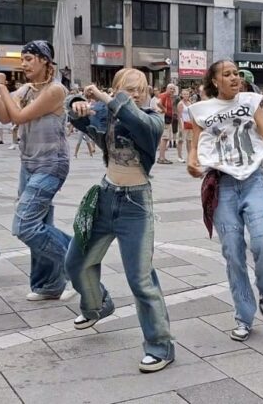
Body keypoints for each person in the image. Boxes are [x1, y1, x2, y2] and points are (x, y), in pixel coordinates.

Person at [65, 68, 175, 373]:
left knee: (140, 279)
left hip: (136, 205)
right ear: (115, 89)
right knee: (75, 262)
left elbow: (135, 119)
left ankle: (160, 346)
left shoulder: (152, 119)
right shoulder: (106, 114)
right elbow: (76, 115)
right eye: (128, 89)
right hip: (104, 197)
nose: (135, 94)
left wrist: (105, 98)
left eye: (140, 89)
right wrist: (77, 103)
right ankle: (97, 304)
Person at [186, 60, 263, 342]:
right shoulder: (199, 110)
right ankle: (244, 315)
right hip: (222, 184)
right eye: (227, 74)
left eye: (236, 74)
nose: (234, 78)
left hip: (253, 179)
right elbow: (196, 145)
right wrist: (192, 163)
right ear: (214, 81)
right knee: (233, 253)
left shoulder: (251, 101)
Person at [0, 39, 73, 301]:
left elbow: (19, 117)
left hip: (51, 163)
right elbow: (4, 117)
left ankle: (78, 258)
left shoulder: (56, 90)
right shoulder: (27, 89)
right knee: (41, 223)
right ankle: (49, 285)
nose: (24, 64)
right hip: (28, 163)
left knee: (25, 225)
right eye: (22, 59)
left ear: (45, 60)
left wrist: (1, 86)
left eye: (29, 59)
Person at [156, 84, 176, 164]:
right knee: (164, 138)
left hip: (167, 119)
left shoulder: (169, 97)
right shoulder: (164, 95)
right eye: (171, 88)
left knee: (165, 138)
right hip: (165, 119)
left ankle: (162, 157)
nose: (172, 90)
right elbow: (158, 103)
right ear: (167, 89)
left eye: (173, 89)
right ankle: (161, 158)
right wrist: (164, 109)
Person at [176, 88, 193, 163]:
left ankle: (189, 156)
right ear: (182, 95)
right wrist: (181, 125)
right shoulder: (180, 104)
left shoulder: (190, 103)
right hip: (183, 124)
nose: (186, 95)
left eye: (187, 94)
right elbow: (179, 116)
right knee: (181, 140)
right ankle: (179, 156)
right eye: (184, 94)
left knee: (189, 140)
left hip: (190, 123)